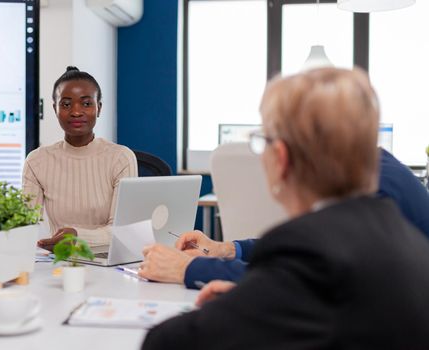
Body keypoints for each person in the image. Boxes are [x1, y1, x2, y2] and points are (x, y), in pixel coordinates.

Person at [141, 68, 429, 349]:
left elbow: (163, 342)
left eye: (262, 141)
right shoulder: (401, 235)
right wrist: (264, 294)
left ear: (280, 158)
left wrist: (249, 303)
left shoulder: (310, 252)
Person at [139, 148, 429, 289]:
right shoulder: (364, 167)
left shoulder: (370, 192)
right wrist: (225, 249)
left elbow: (300, 277)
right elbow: (305, 249)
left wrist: (189, 269)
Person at [23, 66, 137, 249]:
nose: (76, 112)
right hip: (60, 261)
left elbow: (122, 231)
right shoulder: (37, 161)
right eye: (66, 104)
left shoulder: (121, 158)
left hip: (109, 260)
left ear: (98, 108)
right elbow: (26, 227)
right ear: (55, 109)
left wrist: (77, 236)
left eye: (86, 103)